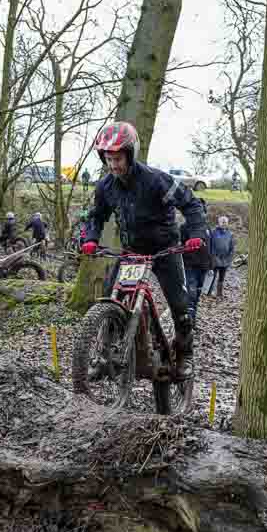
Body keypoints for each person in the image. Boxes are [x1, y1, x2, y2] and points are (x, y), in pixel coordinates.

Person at [82, 121, 206, 380]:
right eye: (108, 159)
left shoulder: (156, 180)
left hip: (165, 250)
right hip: (132, 251)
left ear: (130, 154)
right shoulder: (105, 186)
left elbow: (192, 204)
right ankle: (104, 355)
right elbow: (96, 216)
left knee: (180, 306)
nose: (113, 165)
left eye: (117, 158)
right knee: (109, 297)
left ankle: (185, 354)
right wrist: (91, 238)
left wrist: (195, 234)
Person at [180, 210, 212, 325]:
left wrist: (211, 265)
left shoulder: (207, 228)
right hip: (190, 265)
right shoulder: (184, 227)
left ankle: (193, 318)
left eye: (203, 212)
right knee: (191, 293)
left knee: (198, 293)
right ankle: (189, 322)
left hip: (203, 266)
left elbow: (210, 247)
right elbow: (179, 246)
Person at [209, 215, 235, 298]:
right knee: (212, 276)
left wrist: (229, 258)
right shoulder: (213, 232)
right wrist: (212, 257)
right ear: (219, 223)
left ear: (227, 223)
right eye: (222, 222)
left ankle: (219, 293)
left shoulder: (230, 234)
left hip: (225, 259)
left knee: (222, 277)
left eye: (225, 222)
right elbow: (210, 246)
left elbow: (232, 247)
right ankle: (209, 292)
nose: (224, 224)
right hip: (215, 258)